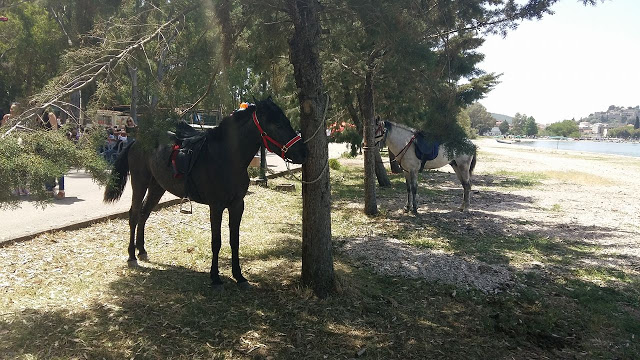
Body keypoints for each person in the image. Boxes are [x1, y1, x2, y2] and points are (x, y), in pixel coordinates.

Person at [44, 109, 65, 199]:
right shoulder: (35, 117)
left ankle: (61, 190)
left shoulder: (50, 115)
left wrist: (53, 144)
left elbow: (55, 131)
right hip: (43, 144)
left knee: (58, 168)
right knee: (46, 168)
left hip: (52, 143)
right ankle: (49, 189)